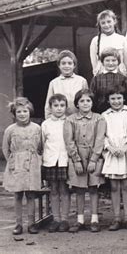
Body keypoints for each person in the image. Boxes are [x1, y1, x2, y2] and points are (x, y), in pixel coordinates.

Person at [64, 90, 106, 233]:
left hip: (94, 155)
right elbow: (69, 141)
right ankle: (80, 220)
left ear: (92, 103)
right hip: (78, 156)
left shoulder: (99, 119)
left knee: (94, 188)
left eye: (88, 101)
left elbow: (100, 140)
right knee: (79, 189)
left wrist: (94, 159)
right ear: (76, 103)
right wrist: (76, 160)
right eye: (82, 101)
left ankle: (94, 219)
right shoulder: (70, 120)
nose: (85, 103)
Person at [102, 86, 127, 231]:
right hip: (113, 154)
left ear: (124, 99)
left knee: (126, 185)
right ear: (108, 100)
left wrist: (126, 146)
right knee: (114, 186)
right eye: (113, 98)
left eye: (119, 98)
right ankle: (116, 218)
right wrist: (110, 148)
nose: (116, 101)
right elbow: (102, 135)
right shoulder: (105, 115)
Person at [3, 97, 42, 235]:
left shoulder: (37, 128)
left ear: (30, 112)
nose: (22, 114)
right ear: (14, 114)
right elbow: (5, 148)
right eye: (19, 112)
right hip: (16, 165)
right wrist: (13, 161)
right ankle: (18, 224)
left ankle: (31, 223)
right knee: (18, 195)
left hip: (32, 164)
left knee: (31, 194)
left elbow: (41, 146)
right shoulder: (10, 130)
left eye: (25, 111)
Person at [42, 94, 71, 232]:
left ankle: (65, 219)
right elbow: (42, 144)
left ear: (66, 107)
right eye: (56, 106)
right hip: (51, 160)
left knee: (64, 190)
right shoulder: (45, 124)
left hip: (65, 160)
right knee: (53, 190)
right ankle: (56, 219)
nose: (59, 109)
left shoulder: (69, 122)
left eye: (62, 105)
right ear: (50, 107)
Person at [44, 50, 88, 118]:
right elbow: (48, 105)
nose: (66, 66)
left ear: (74, 65)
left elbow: (87, 101)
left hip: (78, 118)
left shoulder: (82, 81)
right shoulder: (54, 83)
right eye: (63, 63)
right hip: (60, 120)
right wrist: (49, 120)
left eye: (70, 63)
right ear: (59, 65)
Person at [89, 48, 127, 114]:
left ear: (118, 62)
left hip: (120, 113)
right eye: (107, 60)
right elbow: (92, 97)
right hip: (100, 112)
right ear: (102, 62)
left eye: (113, 60)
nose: (110, 63)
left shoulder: (123, 78)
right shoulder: (96, 79)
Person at [90, 10, 127, 76]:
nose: (106, 25)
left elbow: (126, 60)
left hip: (119, 75)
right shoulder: (95, 41)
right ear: (99, 24)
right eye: (103, 23)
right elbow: (94, 61)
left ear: (114, 21)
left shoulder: (122, 39)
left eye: (109, 21)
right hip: (102, 76)